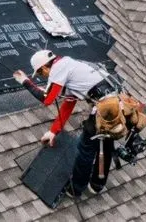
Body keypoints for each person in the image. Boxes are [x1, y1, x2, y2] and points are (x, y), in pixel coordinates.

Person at [13, 50, 121, 197]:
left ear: (44, 68)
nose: (43, 77)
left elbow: (47, 99)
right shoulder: (70, 66)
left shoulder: (58, 68)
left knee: (85, 149)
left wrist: (25, 82)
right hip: (117, 105)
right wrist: (53, 131)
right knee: (105, 144)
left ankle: (76, 188)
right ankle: (97, 184)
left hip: (106, 107)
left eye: (40, 74)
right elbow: (67, 105)